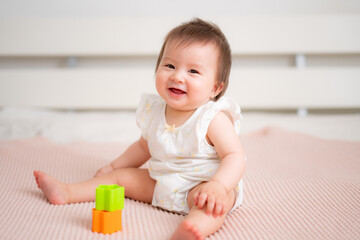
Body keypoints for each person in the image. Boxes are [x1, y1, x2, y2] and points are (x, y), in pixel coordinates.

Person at [34, 18, 246, 240]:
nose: (177, 76)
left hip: (203, 185)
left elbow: (234, 156)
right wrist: (113, 166)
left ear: (215, 87)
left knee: (210, 207)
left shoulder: (212, 118)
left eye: (193, 71)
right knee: (120, 178)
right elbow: (143, 146)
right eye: (170, 66)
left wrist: (219, 186)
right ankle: (67, 192)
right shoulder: (155, 111)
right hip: (161, 182)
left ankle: (192, 230)